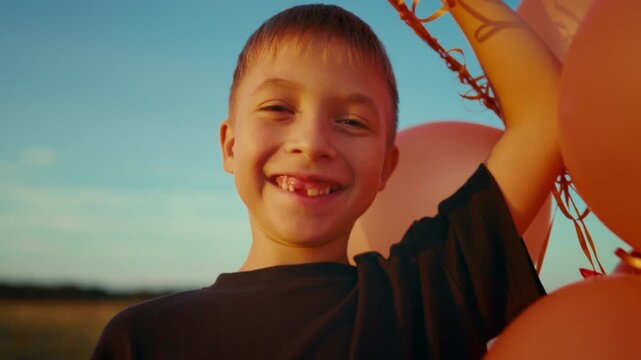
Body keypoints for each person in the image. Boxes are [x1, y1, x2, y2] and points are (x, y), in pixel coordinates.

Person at [91, 1, 562, 359]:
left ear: (386, 169)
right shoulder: (143, 338)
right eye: (278, 108)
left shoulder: (422, 295)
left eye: (353, 121)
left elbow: (545, 117)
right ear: (230, 146)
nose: (312, 141)